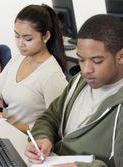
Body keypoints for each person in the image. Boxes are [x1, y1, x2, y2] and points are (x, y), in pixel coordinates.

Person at [25, 14, 123, 167]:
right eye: (81, 60)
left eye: (97, 61)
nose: (86, 70)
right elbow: (50, 118)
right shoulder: (79, 82)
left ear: (121, 56)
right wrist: (42, 137)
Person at [0, 4, 68, 133]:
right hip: (5, 130)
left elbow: (56, 126)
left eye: (28, 38)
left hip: (28, 141)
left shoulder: (52, 75)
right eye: (17, 36)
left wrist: (9, 125)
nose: (20, 44)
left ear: (45, 36)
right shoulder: (18, 58)